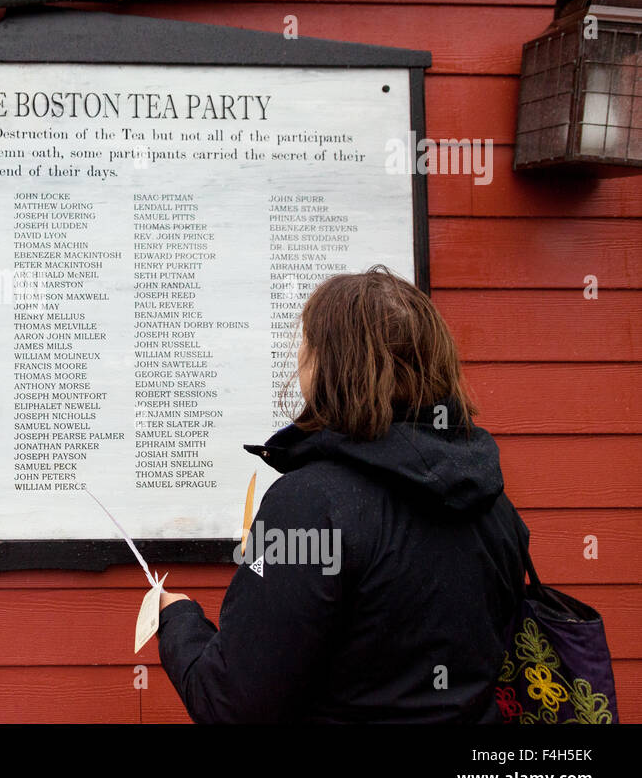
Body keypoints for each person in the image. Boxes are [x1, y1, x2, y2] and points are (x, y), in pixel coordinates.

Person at [157, 265, 528, 722]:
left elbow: (231, 704)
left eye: (306, 345)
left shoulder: (310, 505)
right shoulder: (493, 504)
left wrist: (178, 621)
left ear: (329, 365)